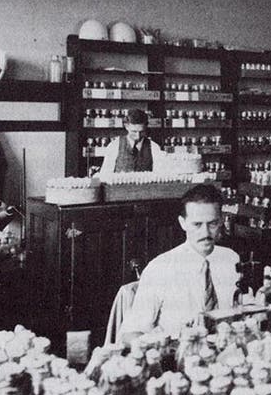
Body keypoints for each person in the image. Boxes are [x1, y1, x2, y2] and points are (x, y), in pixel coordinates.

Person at [120, 184, 241, 342]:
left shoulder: (231, 259)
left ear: (221, 221)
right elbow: (130, 334)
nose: (205, 233)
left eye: (212, 224)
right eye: (197, 224)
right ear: (182, 223)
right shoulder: (160, 268)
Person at [98, 108, 162, 180]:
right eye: (134, 132)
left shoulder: (154, 147)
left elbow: (159, 176)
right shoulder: (114, 146)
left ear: (146, 127)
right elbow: (104, 176)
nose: (138, 136)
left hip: (145, 190)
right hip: (119, 190)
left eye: (141, 132)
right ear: (126, 126)